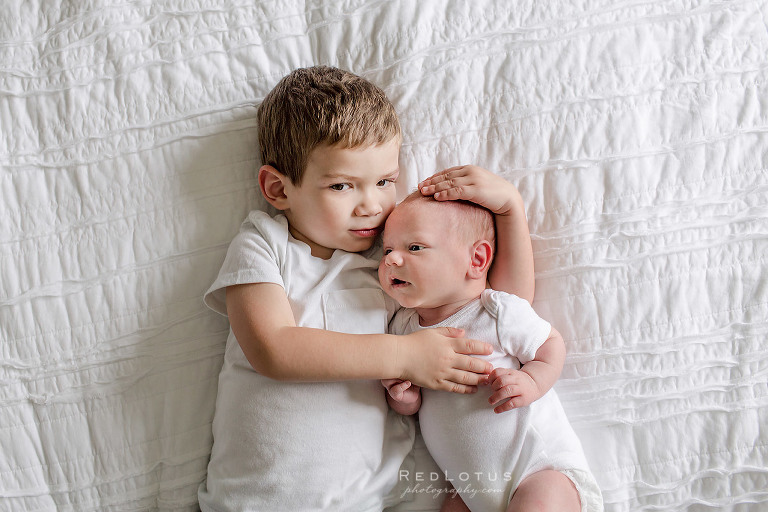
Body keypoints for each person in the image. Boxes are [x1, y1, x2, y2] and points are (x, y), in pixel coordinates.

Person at [198, 65, 536, 511]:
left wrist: (510, 211)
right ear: (278, 188)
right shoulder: (265, 244)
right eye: (342, 186)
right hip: (258, 499)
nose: (372, 205)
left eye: (385, 181)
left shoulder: (390, 264)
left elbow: (495, 305)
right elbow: (273, 350)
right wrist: (406, 355)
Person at [379, 192, 604, 512]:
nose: (391, 259)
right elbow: (414, 407)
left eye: (414, 247)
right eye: (388, 249)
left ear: (476, 260)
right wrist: (403, 398)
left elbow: (551, 345)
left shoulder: (496, 312)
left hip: (538, 470)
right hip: (469, 492)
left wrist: (532, 381)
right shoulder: (403, 329)